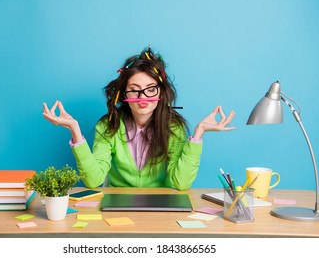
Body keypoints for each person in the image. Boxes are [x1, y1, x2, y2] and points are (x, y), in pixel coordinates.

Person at [42, 46, 235, 190]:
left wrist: (198, 135)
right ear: (123, 95)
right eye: (134, 91)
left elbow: (182, 183)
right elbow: (93, 181)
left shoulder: (173, 127)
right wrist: (75, 131)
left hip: (161, 207)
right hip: (118, 205)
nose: (143, 98)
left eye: (150, 90)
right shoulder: (108, 126)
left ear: (162, 92)